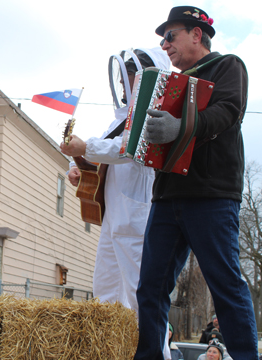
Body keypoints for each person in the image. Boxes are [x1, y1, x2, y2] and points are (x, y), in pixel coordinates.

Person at [133, 6, 257, 360]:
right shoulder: (165, 83)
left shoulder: (228, 66)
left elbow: (228, 111)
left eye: (170, 35)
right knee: (150, 289)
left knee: (226, 284)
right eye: (162, 39)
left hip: (211, 196)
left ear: (196, 34)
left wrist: (180, 127)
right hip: (167, 196)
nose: (164, 44)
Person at [60, 47, 172, 359]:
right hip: (114, 219)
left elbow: (130, 148)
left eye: (130, 74)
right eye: (123, 76)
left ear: (147, 76)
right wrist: (79, 170)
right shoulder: (119, 120)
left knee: (143, 299)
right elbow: (105, 159)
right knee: (106, 292)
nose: (123, 84)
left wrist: (87, 147)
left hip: (137, 218)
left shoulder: (157, 112)